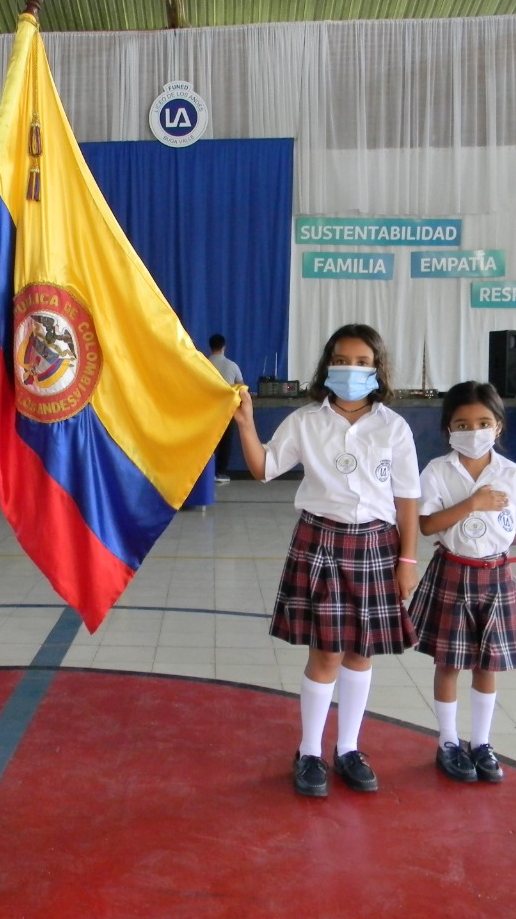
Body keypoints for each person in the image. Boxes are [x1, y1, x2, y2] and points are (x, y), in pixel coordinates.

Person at [233, 323, 420, 798]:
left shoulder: (393, 427)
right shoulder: (305, 421)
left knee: (362, 652)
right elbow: (263, 468)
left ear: (377, 369)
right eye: (343, 360)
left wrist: (408, 560)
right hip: (321, 543)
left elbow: (407, 499)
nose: (352, 370)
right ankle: (311, 751)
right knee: (327, 653)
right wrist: (246, 424)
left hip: (377, 546)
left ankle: (350, 748)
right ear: (327, 365)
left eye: (362, 363)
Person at [406, 382, 516, 785]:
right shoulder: (436, 471)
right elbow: (426, 523)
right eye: (462, 423)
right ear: (448, 428)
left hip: (495, 575)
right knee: (449, 662)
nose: (474, 430)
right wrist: (471, 507)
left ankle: (481, 743)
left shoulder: (510, 473)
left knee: (488, 663)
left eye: (483, 422)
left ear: (498, 426)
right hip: (453, 570)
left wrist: (487, 533)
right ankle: (448, 741)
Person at [208, 334, 244, 483]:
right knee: (225, 441)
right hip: (227, 409)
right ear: (224, 347)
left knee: (209, 442)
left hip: (207, 410)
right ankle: (221, 472)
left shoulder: (204, 363)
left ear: (210, 347)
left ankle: (207, 473)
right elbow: (241, 386)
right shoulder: (232, 365)